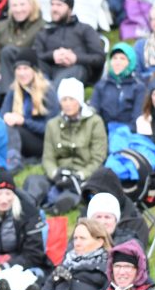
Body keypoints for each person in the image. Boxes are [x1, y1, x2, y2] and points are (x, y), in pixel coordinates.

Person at [38, 77, 107, 214]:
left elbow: (98, 158)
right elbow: (48, 157)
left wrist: (80, 175)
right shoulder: (52, 124)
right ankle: (35, 202)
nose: (68, 104)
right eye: (64, 99)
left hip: (83, 175)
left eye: (72, 99)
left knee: (77, 190)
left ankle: (62, 203)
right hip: (59, 175)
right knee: (34, 182)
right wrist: (54, 173)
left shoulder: (95, 122)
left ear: (79, 101)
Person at [0, 167, 52, 279]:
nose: (4, 200)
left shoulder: (29, 213)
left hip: (20, 263)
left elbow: (34, 254)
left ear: (14, 194)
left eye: (8, 194)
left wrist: (5, 266)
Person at [33, 0, 105, 87]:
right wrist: (52, 55)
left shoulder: (85, 29)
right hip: (49, 70)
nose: (54, 9)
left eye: (59, 5)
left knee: (77, 69)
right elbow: (35, 54)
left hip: (76, 69)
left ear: (70, 8)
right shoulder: (45, 30)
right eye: (52, 4)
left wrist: (76, 58)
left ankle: (49, 95)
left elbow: (99, 58)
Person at [0, 0, 46, 102]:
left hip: (28, 74)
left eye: (22, 5)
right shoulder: (1, 27)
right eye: (14, 5)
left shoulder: (42, 27)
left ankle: (9, 98)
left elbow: (38, 56)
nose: (18, 9)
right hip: (4, 76)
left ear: (32, 5)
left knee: (8, 51)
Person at [0, 47, 60, 160]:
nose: (22, 73)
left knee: (13, 128)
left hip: (42, 143)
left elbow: (51, 129)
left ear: (34, 70)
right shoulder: (14, 90)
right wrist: (6, 117)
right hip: (18, 137)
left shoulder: (47, 91)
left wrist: (24, 122)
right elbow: (2, 114)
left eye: (26, 68)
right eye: (18, 69)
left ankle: (13, 160)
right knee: (5, 126)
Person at [89, 42, 147, 128]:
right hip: (104, 132)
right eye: (114, 58)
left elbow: (137, 119)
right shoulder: (101, 85)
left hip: (127, 133)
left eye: (122, 59)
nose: (117, 62)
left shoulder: (138, 87)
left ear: (130, 62)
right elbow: (94, 112)